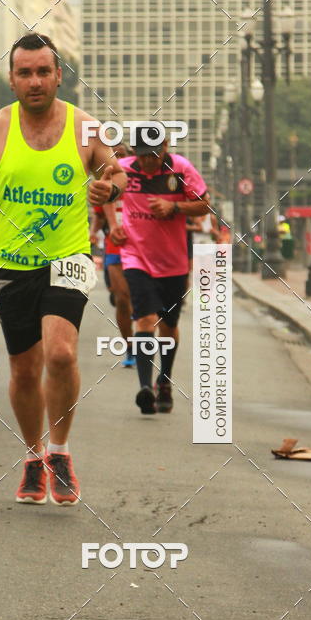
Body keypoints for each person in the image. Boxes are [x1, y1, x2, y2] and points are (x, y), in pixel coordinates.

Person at [0, 32, 127, 506]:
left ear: (58, 76)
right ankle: (33, 457)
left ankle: (60, 451)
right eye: (25, 73)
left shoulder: (84, 127)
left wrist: (109, 188)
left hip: (68, 257)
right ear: (11, 80)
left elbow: (118, 172)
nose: (35, 81)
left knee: (61, 354)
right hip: (11, 265)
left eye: (43, 72)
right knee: (25, 371)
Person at [110, 127, 210, 415]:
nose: (148, 162)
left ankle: (164, 380)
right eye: (142, 156)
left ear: (165, 146)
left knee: (168, 325)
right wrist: (114, 226)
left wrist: (174, 207)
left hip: (172, 262)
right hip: (135, 256)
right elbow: (104, 194)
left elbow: (205, 205)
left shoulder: (181, 169)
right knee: (145, 319)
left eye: (153, 156)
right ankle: (145, 387)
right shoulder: (124, 168)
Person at [90, 142, 135, 367]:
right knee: (122, 299)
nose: (118, 160)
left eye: (122, 155)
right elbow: (99, 214)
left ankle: (145, 335)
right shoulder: (106, 182)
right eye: (114, 156)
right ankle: (130, 348)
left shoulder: (140, 179)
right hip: (115, 244)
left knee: (139, 300)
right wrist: (92, 232)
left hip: (143, 247)